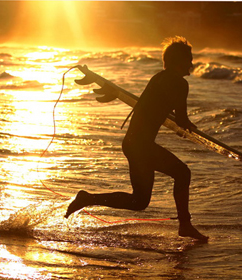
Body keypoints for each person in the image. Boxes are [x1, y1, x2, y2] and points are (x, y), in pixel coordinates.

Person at [65, 36, 208, 241]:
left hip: (133, 143)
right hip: (141, 145)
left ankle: (88, 198)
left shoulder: (158, 77)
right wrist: (188, 127)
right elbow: (182, 119)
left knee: (139, 201)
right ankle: (185, 225)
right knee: (182, 174)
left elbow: (155, 108)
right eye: (189, 59)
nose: (192, 64)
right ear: (179, 61)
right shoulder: (179, 83)